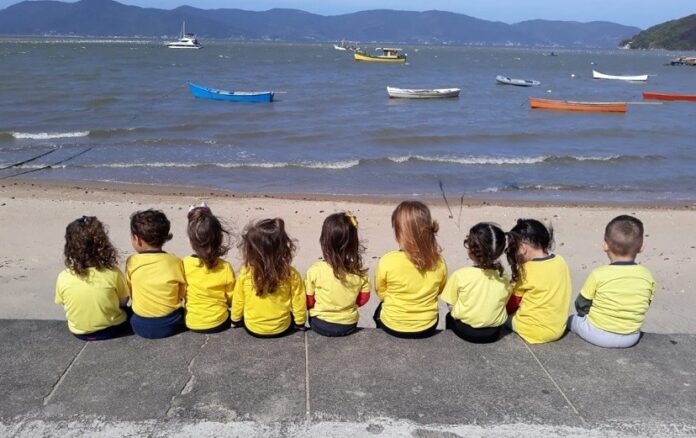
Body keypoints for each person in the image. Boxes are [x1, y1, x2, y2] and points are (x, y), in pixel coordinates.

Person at [568, 215, 655, 348]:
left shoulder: (598, 274)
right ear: (641, 247)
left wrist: (587, 315)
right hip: (631, 337)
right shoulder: (647, 276)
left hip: (597, 334)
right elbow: (645, 304)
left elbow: (581, 304)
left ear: (605, 245)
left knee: (571, 320)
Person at [374, 201, 447, 339]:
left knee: (378, 311)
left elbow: (381, 291)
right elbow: (439, 289)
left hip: (392, 325)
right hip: (427, 326)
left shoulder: (388, 260)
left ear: (399, 234)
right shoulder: (439, 262)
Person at [55, 216, 131, 341]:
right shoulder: (113, 273)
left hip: (79, 331)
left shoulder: (63, 276)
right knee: (132, 312)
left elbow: (64, 303)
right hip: (110, 329)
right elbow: (123, 301)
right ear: (104, 245)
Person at [231, 218, 306, 337]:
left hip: (253, 327)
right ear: (282, 248)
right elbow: (298, 301)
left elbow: (238, 300)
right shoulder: (291, 274)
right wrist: (300, 322)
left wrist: (235, 320)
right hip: (281, 328)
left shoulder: (245, 273)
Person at [441, 223, 511, 343]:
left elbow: (450, 304)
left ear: (471, 251)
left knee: (449, 317)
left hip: (466, 331)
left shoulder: (460, 275)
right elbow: (504, 301)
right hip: (494, 332)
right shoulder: (503, 276)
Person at [505, 219, 571, 344]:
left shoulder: (527, 270)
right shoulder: (560, 261)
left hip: (532, 330)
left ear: (523, 248)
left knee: (500, 317)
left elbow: (512, 304)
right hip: (558, 329)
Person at [305, 212, 370, 337]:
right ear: (354, 242)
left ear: (324, 242)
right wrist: (351, 304)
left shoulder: (315, 270)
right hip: (349, 324)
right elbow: (364, 298)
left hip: (320, 324)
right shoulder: (359, 271)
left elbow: (309, 301)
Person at [126, 209, 186, 339]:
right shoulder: (174, 261)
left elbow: (130, 291)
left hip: (139, 325)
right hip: (170, 324)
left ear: (137, 239)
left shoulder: (132, 262)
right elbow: (181, 293)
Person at [183, 204, 235, 334]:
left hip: (192, 322)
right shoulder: (225, 267)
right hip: (219, 321)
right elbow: (231, 299)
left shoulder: (184, 264)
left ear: (189, 241)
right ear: (220, 239)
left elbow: (181, 293)